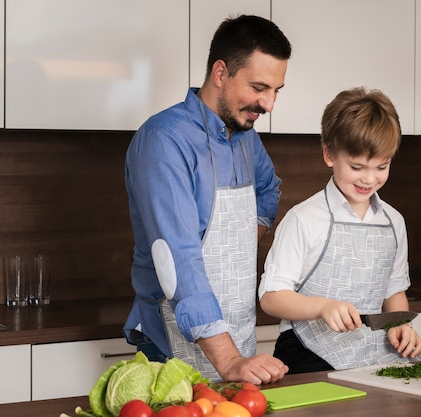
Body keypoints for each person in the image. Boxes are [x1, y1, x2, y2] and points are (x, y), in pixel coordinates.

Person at [123, 15, 292, 384]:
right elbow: (177, 261)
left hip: (239, 339)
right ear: (220, 73)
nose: (269, 103)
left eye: (277, 90)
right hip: (171, 349)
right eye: (260, 87)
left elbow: (269, 190)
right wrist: (229, 361)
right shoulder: (164, 141)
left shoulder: (247, 137)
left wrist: (249, 238)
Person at [258, 87, 421, 373]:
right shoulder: (303, 219)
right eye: (357, 167)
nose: (369, 179)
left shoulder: (394, 222)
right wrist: (322, 307)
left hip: (374, 348)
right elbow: (271, 297)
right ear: (329, 154)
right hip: (306, 349)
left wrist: (401, 325)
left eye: (382, 166)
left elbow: (394, 292)